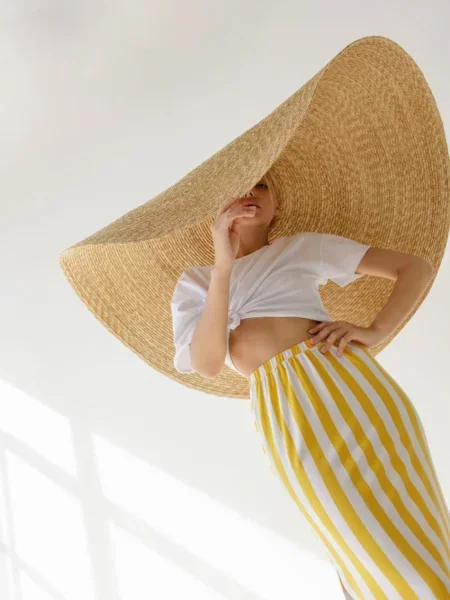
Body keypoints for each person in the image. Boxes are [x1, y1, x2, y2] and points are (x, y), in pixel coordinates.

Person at [170, 173, 450, 599]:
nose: (251, 192)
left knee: (417, 534)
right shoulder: (195, 283)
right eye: (239, 185)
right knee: (355, 542)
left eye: (262, 185)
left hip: (349, 388)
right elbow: (207, 363)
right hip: (285, 409)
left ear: (278, 204)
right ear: (217, 209)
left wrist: (376, 330)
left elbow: (416, 267)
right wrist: (222, 266)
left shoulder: (302, 247)